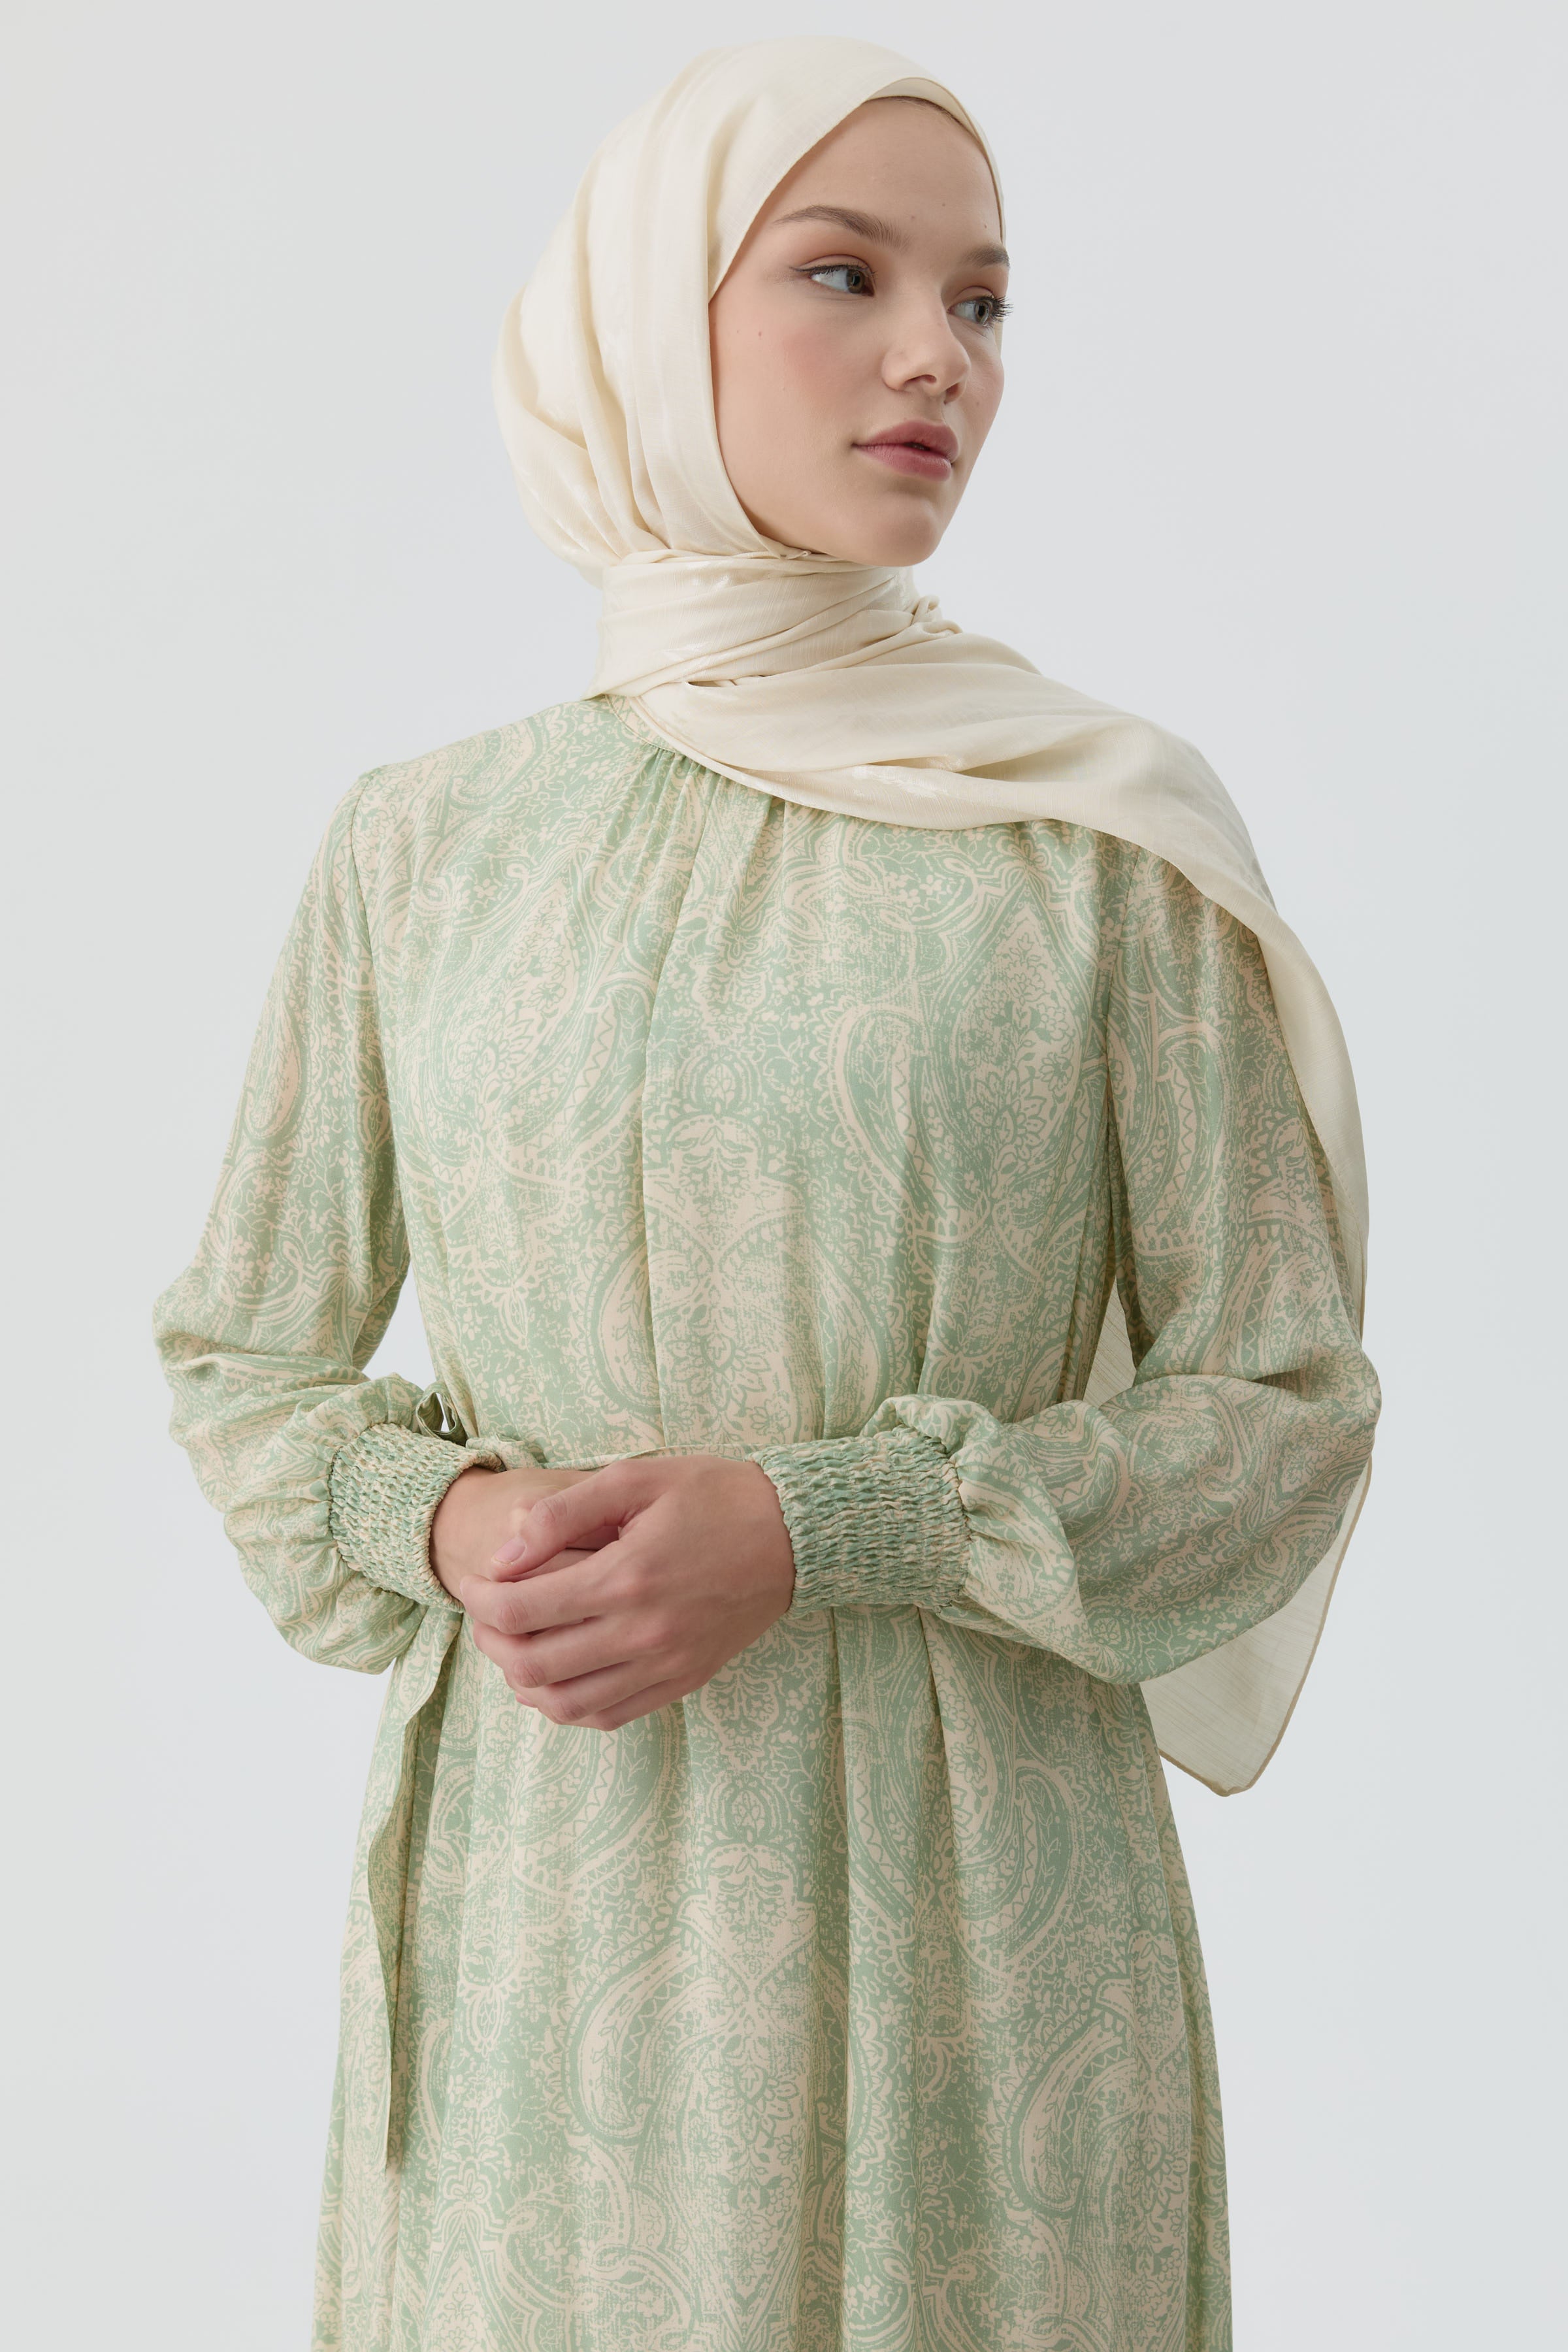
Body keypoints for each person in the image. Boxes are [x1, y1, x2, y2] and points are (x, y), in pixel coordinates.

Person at [154, 35, 1381, 2352]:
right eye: (846, 275)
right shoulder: (425, 849)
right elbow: (240, 1353)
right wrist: (448, 1523)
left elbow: (1286, 1414)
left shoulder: (1100, 843)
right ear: (644, 315)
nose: (939, 356)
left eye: (984, 301)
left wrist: (833, 1526)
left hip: (981, 1931)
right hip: (557, 1915)